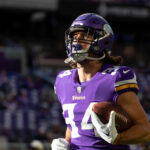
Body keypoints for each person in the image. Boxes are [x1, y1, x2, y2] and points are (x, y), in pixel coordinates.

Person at [51, 13, 150, 150]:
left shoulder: (115, 78)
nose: (77, 42)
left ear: (102, 41)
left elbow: (145, 131)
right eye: (74, 36)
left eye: (85, 36)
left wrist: (119, 138)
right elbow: (75, 126)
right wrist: (67, 143)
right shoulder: (63, 80)